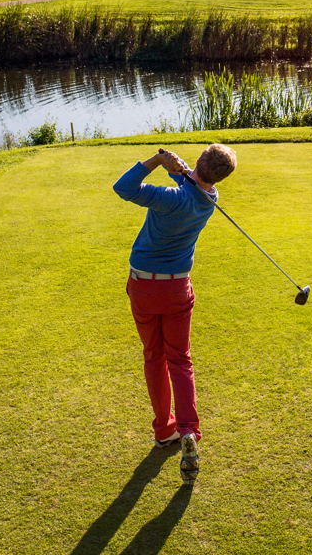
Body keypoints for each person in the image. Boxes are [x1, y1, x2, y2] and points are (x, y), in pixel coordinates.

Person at [113, 143, 237, 484]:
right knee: (180, 359)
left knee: (154, 356)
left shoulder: (168, 198)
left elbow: (123, 188)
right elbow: (192, 185)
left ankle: (165, 429)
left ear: (198, 161)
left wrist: (156, 160)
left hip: (144, 286)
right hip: (178, 287)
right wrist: (175, 167)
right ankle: (188, 430)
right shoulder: (209, 200)